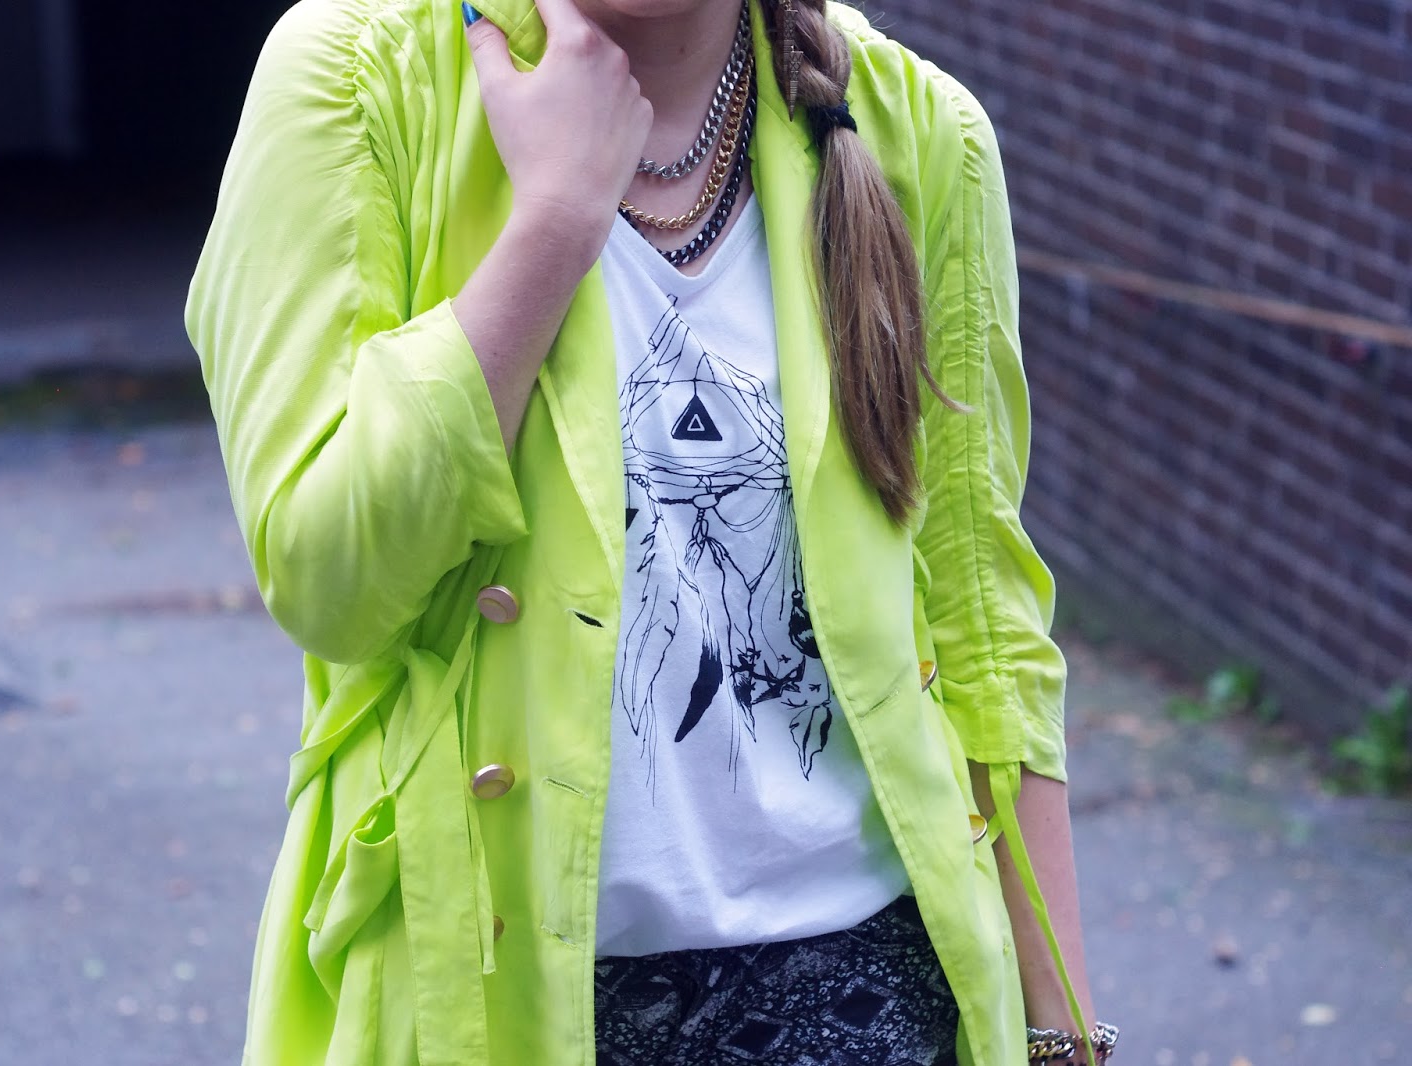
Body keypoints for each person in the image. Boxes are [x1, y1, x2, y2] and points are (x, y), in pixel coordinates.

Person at [186, 0, 1116, 1059]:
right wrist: (553, 223)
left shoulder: (920, 130)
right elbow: (329, 580)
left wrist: (1063, 1037)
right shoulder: (357, 82)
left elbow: (984, 631)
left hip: (870, 996)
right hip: (496, 996)